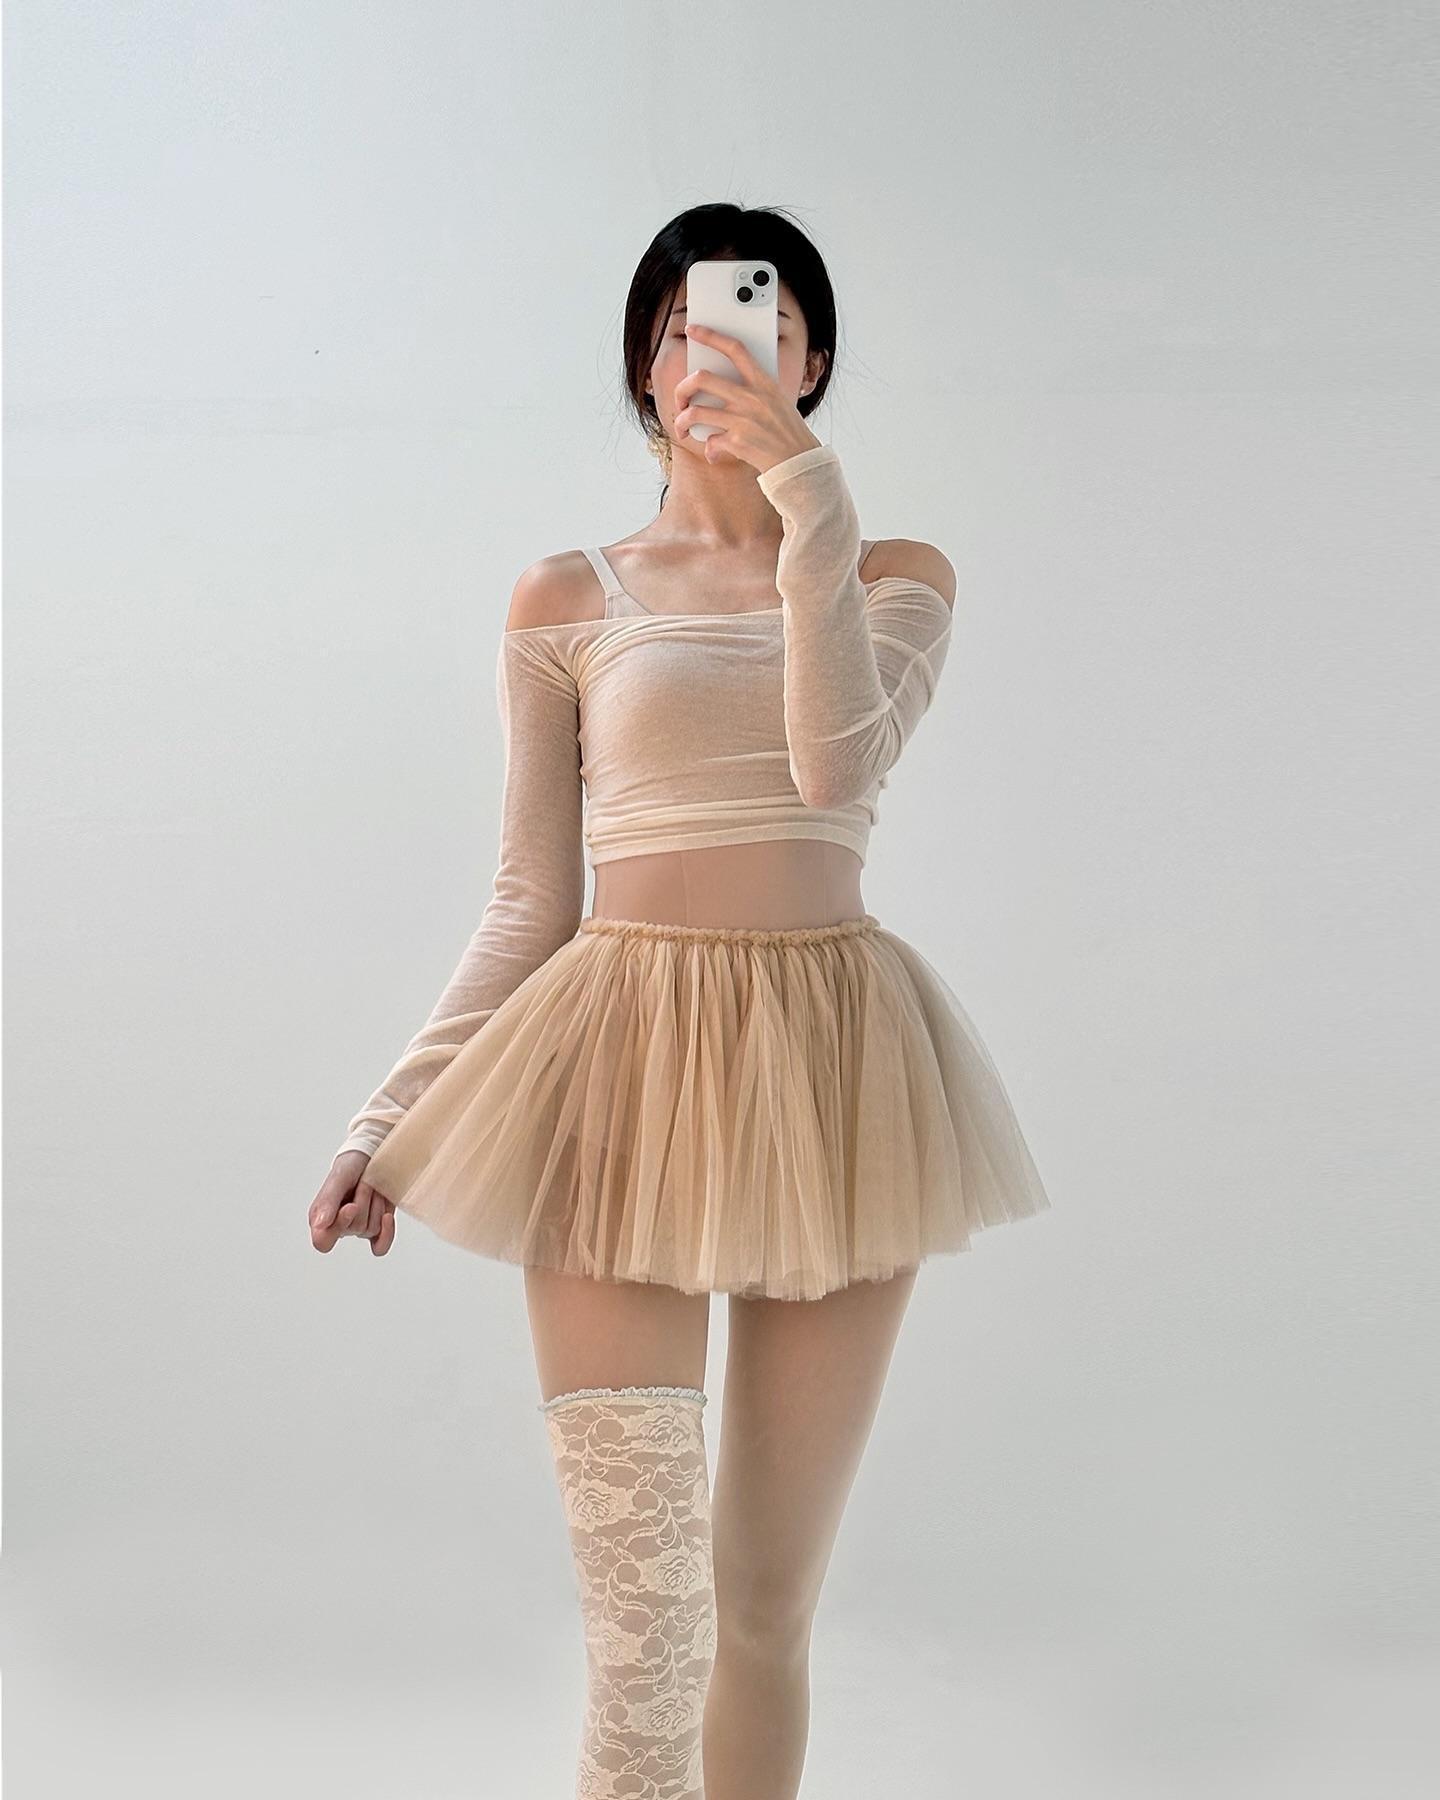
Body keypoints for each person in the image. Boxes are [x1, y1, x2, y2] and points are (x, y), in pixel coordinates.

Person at [309, 202, 1051, 1800]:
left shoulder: (896, 572)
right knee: (646, 1631)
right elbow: (531, 897)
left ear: (813, 360)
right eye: (678, 327)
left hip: (837, 1075)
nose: (710, 351)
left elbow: (833, 766)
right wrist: (387, 1119)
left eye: (756, 321)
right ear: (644, 369)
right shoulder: (562, 597)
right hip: (616, 1069)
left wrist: (812, 502)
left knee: (764, 1612)